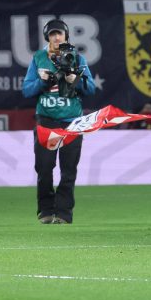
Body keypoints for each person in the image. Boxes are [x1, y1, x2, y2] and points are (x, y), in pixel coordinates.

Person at [21, 19, 96, 224]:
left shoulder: (77, 58)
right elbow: (26, 91)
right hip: (46, 120)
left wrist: (76, 81)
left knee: (68, 169)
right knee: (44, 167)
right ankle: (45, 211)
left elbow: (91, 89)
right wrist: (41, 81)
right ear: (47, 37)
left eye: (59, 34)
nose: (56, 37)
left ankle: (63, 213)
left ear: (66, 36)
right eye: (52, 34)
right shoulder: (38, 58)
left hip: (72, 121)